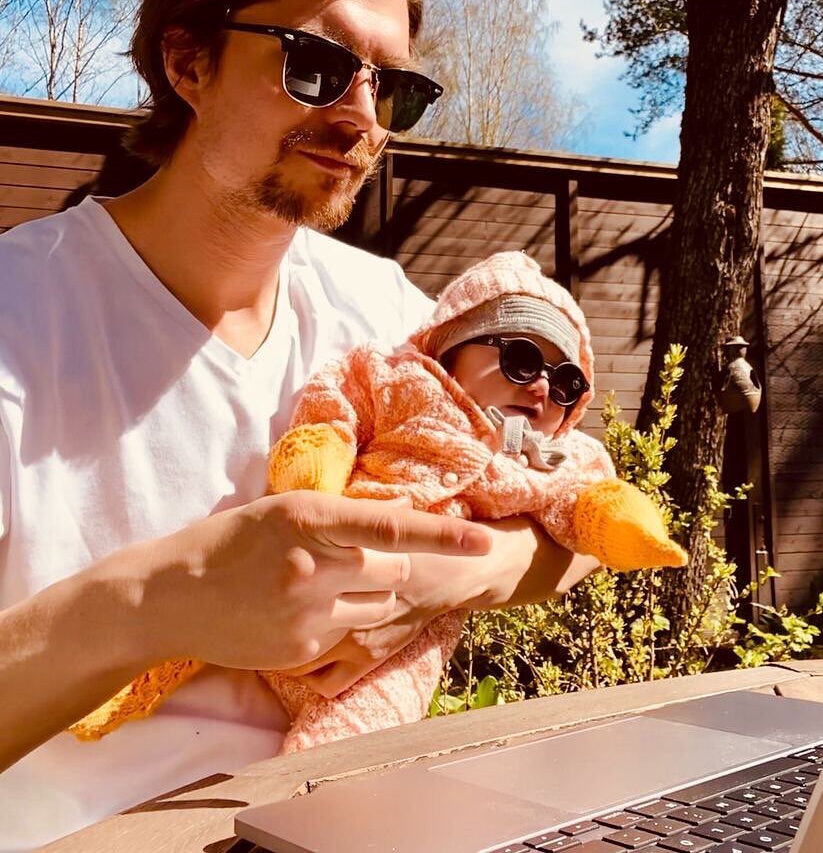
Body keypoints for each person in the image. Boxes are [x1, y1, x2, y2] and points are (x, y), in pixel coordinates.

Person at [0, 0, 602, 851]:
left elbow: (576, 518)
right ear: (188, 61)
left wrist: (448, 578)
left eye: (392, 87)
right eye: (317, 63)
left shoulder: (388, 316)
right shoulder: (19, 321)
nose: (362, 117)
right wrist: (157, 602)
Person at [71, 250, 687, 752]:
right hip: (310, 558)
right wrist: (320, 458)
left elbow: (585, 505)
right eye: (522, 359)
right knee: (203, 614)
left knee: (357, 740)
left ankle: (302, 820)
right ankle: (109, 690)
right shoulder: (401, 378)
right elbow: (338, 406)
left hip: (395, 654)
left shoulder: (550, 455)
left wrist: (615, 522)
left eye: (568, 381)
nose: (544, 387)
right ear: (452, 347)